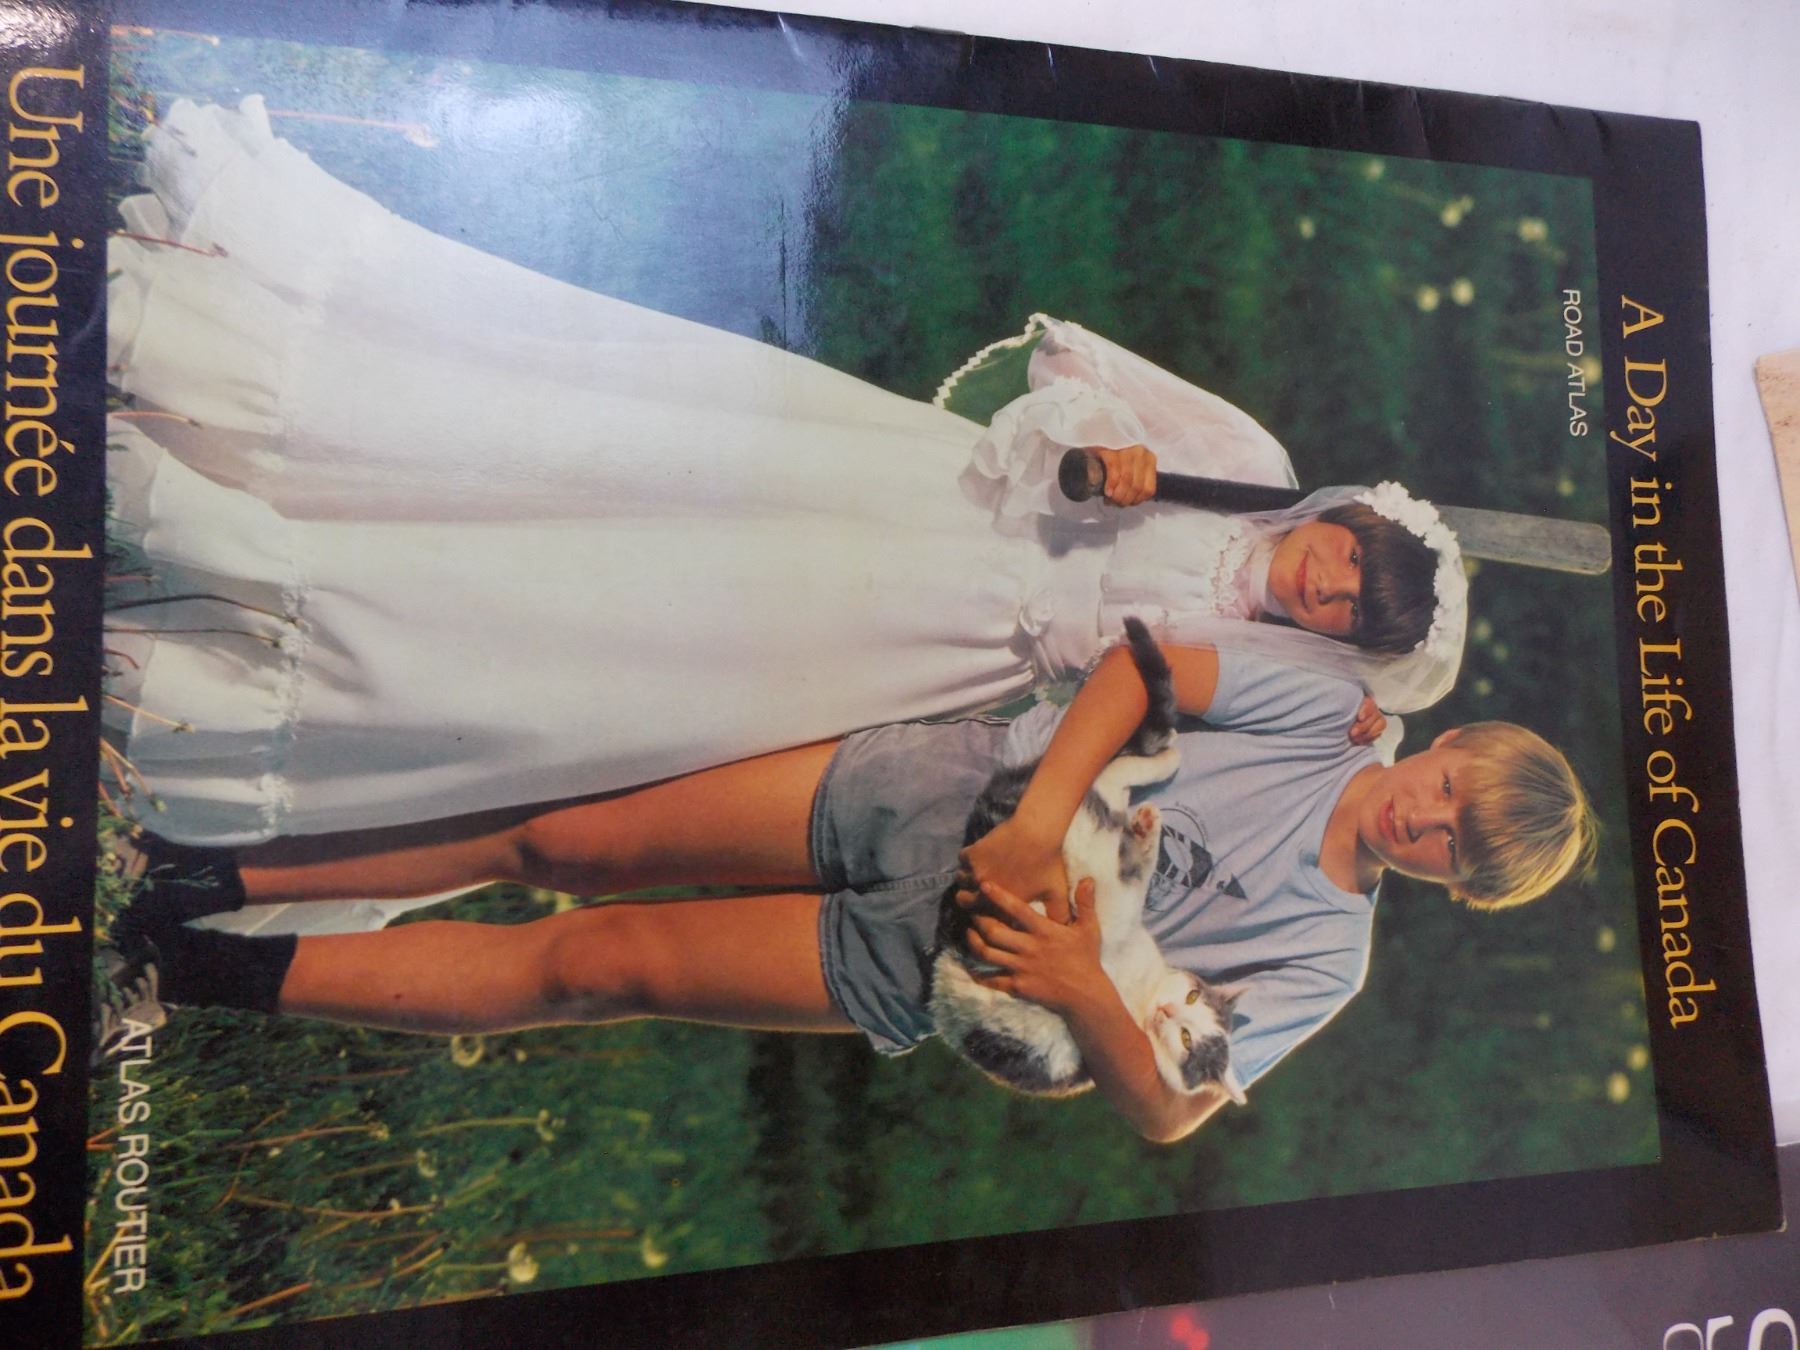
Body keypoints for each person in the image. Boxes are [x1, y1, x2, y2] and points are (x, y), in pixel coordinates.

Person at [104, 96, 1466, 854]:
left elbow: (1207, 746)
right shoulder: (1248, 468)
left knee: (634, 645)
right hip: (918, 496)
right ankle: (251, 391)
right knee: (636, 448)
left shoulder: (1262, 667)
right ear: (1341, 515)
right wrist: (1095, 449)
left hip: (932, 645)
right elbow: (1063, 364)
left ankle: (252, 614)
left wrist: (1361, 732)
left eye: (1347, 607)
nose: (1326, 581)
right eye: (1347, 554)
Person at [99, 640, 1596, 1143]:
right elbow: (1139, 668)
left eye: (1455, 850)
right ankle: (197, 871)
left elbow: (1169, 1108)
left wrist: (1082, 986)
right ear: (1450, 744)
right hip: (954, 792)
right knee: (565, 840)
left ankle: (184, 969)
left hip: (932, 963)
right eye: (1452, 791)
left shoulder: (1330, 957)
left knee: (592, 968)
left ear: (1455, 889)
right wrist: (1040, 825)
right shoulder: (1328, 711)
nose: (1426, 821)